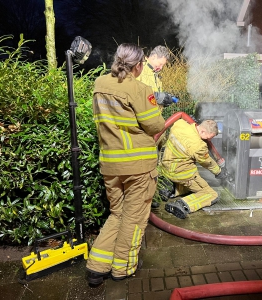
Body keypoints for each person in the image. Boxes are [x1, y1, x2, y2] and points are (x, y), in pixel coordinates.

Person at [86, 43, 165, 286]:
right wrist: (157, 104)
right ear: (139, 65)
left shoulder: (100, 84)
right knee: (134, 218)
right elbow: (155, 126)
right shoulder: (139, 88)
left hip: (110, 165)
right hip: (137, 167)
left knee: (117, 213)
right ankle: (123, 268)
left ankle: (96, 266)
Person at [160, 119, 227, 219]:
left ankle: (171, 189)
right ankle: (182, 205)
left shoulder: (179, 124)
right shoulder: (199, 146)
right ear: (203, 131)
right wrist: (218, 172)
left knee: (191, 188)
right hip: (182, 174)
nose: (209, 140)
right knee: (211, 194)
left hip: (165, 167)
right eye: (210, 137)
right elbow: (207, 162)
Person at [137, 45, 175, 209]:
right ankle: (145, 198)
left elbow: (154, 98)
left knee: (154, 164)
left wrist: (165, 100)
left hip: (155, 127)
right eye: (161, 63)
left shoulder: (155, 74)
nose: (161, 67)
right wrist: (158, 97)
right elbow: (139, 96)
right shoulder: (140, 69)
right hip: (145, 128)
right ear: (154, 56)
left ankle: (151, 194)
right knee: (146, 165)